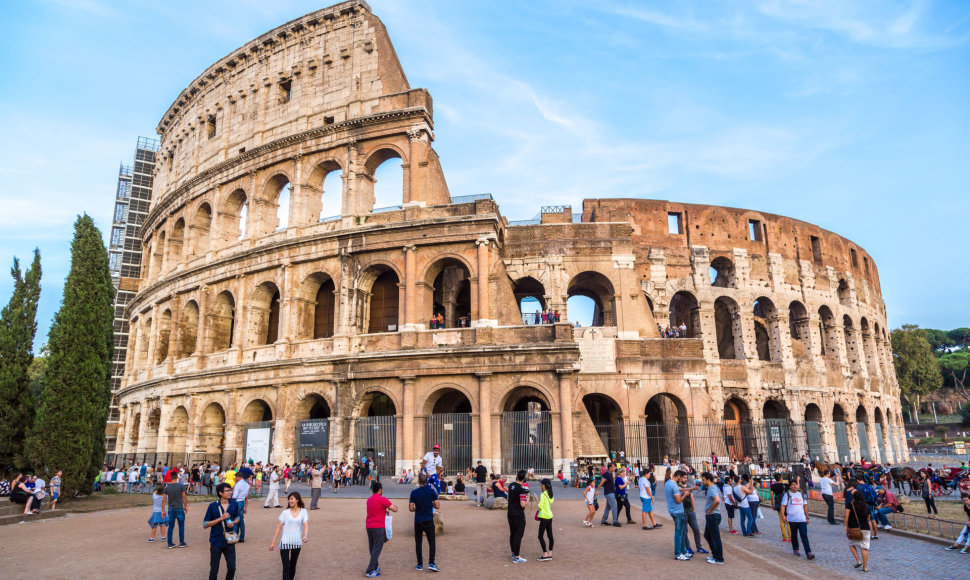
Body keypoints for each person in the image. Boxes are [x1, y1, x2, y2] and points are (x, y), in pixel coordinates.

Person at [203, 483, 239, 580]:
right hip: (216, 541)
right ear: (220, 492)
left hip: (230, 540)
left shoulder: (234, 504)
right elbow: (205, 524)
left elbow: (238, 517)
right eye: (228, 490)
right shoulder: (213, 506)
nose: (230, 492)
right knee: (214, 569)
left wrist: (234, 522)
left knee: (232, 567)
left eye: (230, 490)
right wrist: (221, 518)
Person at [269, 492, 309, 580]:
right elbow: (279, 527)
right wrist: (273, 543)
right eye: (289, 499)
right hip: (285, 542)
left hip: (297, 542)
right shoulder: (285, 512)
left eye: (291, 499)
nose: (289, 501)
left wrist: (305, 535)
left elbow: (305, 524)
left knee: (293, 565)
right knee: (286, 567)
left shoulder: (303, 512)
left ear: (297, 500)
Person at [409, 472, 440, 572]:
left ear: (418, 481)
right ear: (426, 481)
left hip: (418, 519)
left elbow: (411, 508)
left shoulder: (414, 492)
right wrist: (430, 505)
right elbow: (437, 506)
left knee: (418, 542)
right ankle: (431, 562)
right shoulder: (431, 491)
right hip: (428, 519)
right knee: (432, 542)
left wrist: (417, 509)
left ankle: (419, 564)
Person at [365, 480, 397, 577]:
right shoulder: (382, 499)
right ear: (379, 490)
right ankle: (370, 569)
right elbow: (394, 509)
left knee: (372, 547)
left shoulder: (369, 500)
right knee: (377, 548)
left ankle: (374, 566)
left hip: (369, 526)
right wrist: (395, 506)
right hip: (378, 526)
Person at [781, 480, 814, 560]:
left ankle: (808, 552)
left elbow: (805, 506)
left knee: (804, 535)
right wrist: (783, 516)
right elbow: (783, 506)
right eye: (793, 484)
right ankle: (796, 549)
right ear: (790, 486)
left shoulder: (801, 495)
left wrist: (807, 517)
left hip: (801, 519)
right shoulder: (787, 495)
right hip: (792, 519)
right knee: (794, 535)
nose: (795, 486)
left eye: (796, 484)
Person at [666, 469, 695, 561]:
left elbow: (681, 490)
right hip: (677, 511)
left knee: (682, 532)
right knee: (679, 533)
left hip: (675, 510)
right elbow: (678, 500)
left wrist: (691, 489)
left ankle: (682, 551)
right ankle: (678, 553)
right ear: (678, 476)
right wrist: (685, 495)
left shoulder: (668, 483)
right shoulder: (674, 486)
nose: (682, 479)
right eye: (682, 477)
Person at [846, 482, 871, 572]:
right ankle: (865, 567)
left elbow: (846, 516)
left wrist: (846, 526)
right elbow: (869, 519)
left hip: (853, 528)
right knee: (864, 548)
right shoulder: (867, 507)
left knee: (851, 544)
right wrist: (870, 530)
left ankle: (858, 560)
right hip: (865, 528)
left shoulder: (850, 505)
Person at [701, 472, 724, 565]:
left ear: (708, 480)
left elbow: (717, 500)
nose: (702, 481)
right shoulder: (714, 487)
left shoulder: (711, 489)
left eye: (703, 480)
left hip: (713, 515)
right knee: (707, 535)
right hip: (713, 515)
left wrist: (710, 510)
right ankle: (715, 555)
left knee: (715, 537)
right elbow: (721, 497)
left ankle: (719, 558)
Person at [507, 470, 530, 563]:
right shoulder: (522, 489)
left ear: (517, 476)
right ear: (524, 478)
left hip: (510, 513)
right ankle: (516, 557)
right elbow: (523, 505)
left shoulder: (511, 485)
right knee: (518, 535)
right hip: (518, 514)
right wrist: (528, 499)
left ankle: (513, 553)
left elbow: (508, 498)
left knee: (512, 533)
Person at [681, 475, 707, 555]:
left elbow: (692, 497)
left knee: (696, 529)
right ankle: (688, 547)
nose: (685, 479)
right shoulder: (678, 486)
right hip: (683, 511)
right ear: (680, 478)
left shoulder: (688, 486)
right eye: (683, 478)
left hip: (691, 511)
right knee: (685, 531)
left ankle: (699, 547)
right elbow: (679, 496)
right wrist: (685, 493)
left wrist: (694, 509)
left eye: (686, 478)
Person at [165, 473, 188, 548]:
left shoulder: (167, 487)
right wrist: (185, 506)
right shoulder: (181, 486)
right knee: (181, 526)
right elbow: (184, 497)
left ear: (170, 478)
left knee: (171, 526)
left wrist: (163, 509)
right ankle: (181, 542)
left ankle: (170, 543)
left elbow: (164, 499)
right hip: (179, 508)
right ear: (177, 477)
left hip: (171, 508)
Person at [536, 478, 555, 561]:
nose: (540, 485)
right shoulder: (550, 494)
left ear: (544, 485)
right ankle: (550, 553)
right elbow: (550, 502)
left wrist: (537, 500)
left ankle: (545, 554)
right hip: (549, 516)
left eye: (541, 484)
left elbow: (540, 506)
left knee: (540, 536)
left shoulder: (543, 494)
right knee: (550, 535)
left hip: (544, 516)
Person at [770, 473, 791, 542]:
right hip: (786, 504)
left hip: (779, 504)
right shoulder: (785, 485)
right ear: (781, 478)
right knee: (788, 521)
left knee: (781, 520)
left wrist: (772, 504)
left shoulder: (773, 486)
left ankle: (784, 537)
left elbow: (772, 496)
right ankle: (790, 537)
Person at [597, 462, 619, 527]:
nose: (614, 468)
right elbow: (601, 482)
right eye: (613, 467)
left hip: (610, 492)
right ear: (610, 468)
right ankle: (615, 522)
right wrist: (597, 489)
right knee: (614, 507)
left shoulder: (610, 473)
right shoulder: (606, 473)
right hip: (609, 492)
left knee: (608, 508)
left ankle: (603, 521)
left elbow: (610, 480)